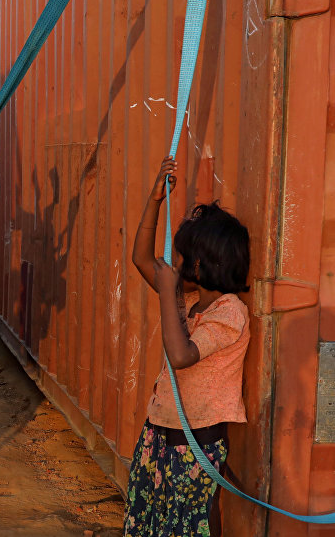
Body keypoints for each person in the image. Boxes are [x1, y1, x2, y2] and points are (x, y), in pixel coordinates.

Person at [125, 156, 250, 537]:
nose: (173, 264)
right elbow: (142, 259)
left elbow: (181, 357)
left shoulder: (230, 313)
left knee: (192, 526)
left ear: (197, 265)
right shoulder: (191, 303)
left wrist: (167, 292)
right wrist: (154, 200)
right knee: (151, 522)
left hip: (197, 448)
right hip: (160, 435)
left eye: (179, 257)